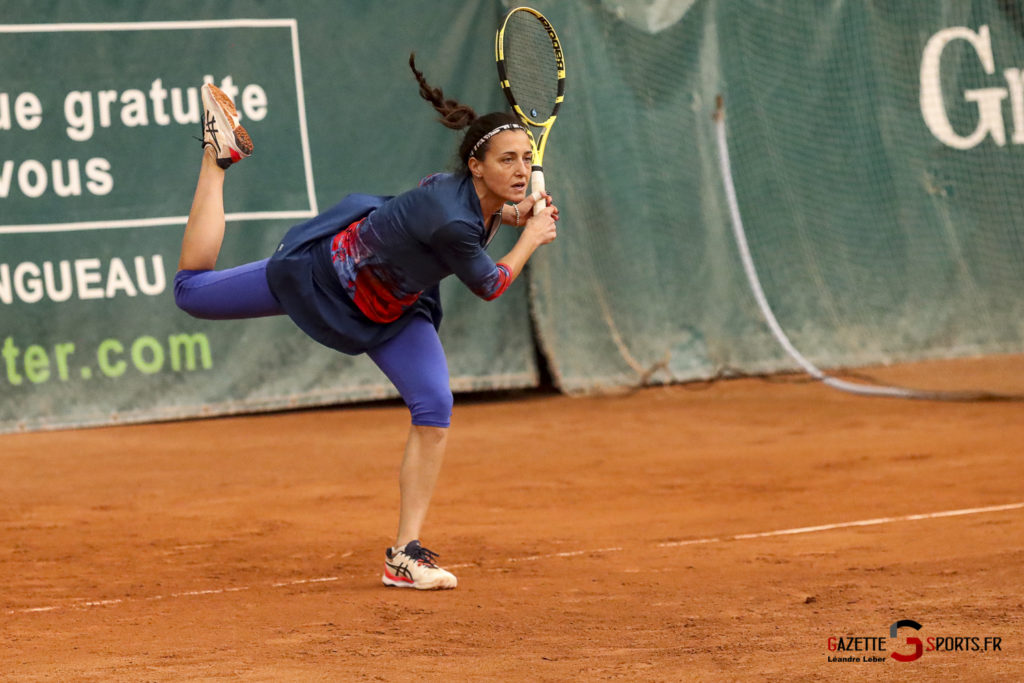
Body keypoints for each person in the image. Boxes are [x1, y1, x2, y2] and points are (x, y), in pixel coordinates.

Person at [173, 56, 559, 590]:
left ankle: (404, 555)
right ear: (476, 166)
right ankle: (217, 160)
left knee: (435, 404)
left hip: (394, 308)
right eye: (507, 160)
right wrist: (531, 236)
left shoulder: (477, 199)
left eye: (526, 159)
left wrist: (513, 214)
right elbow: (490, 284)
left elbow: (478, 221)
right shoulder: (451, 218)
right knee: (191, 294)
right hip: (321, 281)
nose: (521, 170)